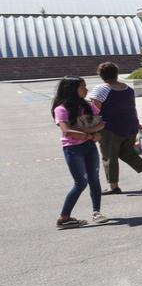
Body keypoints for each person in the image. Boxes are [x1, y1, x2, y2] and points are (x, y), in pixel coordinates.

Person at [88, 62, 142, 194]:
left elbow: (94, 109)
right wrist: (137, 123)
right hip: (130, 126)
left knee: (109, 157)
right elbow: (132, 107)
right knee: (126, 153)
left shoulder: (101, 89)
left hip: (110, 128)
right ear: (116, 74)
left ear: (101, 75)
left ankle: (113, 186)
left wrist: (90, 127)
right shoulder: (128, 89)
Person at [52, 76, 108, 228]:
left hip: (89, 147)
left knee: (94, 179)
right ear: (71, 90)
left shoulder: (88, 106)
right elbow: (67, 131)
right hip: (73, 149)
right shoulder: (61, 109)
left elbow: (102, 123)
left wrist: (91, 132)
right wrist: (90, 134)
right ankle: (64, 218)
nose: (86, 89)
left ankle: (97, 212)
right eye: (82, 87)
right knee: (81, 182)